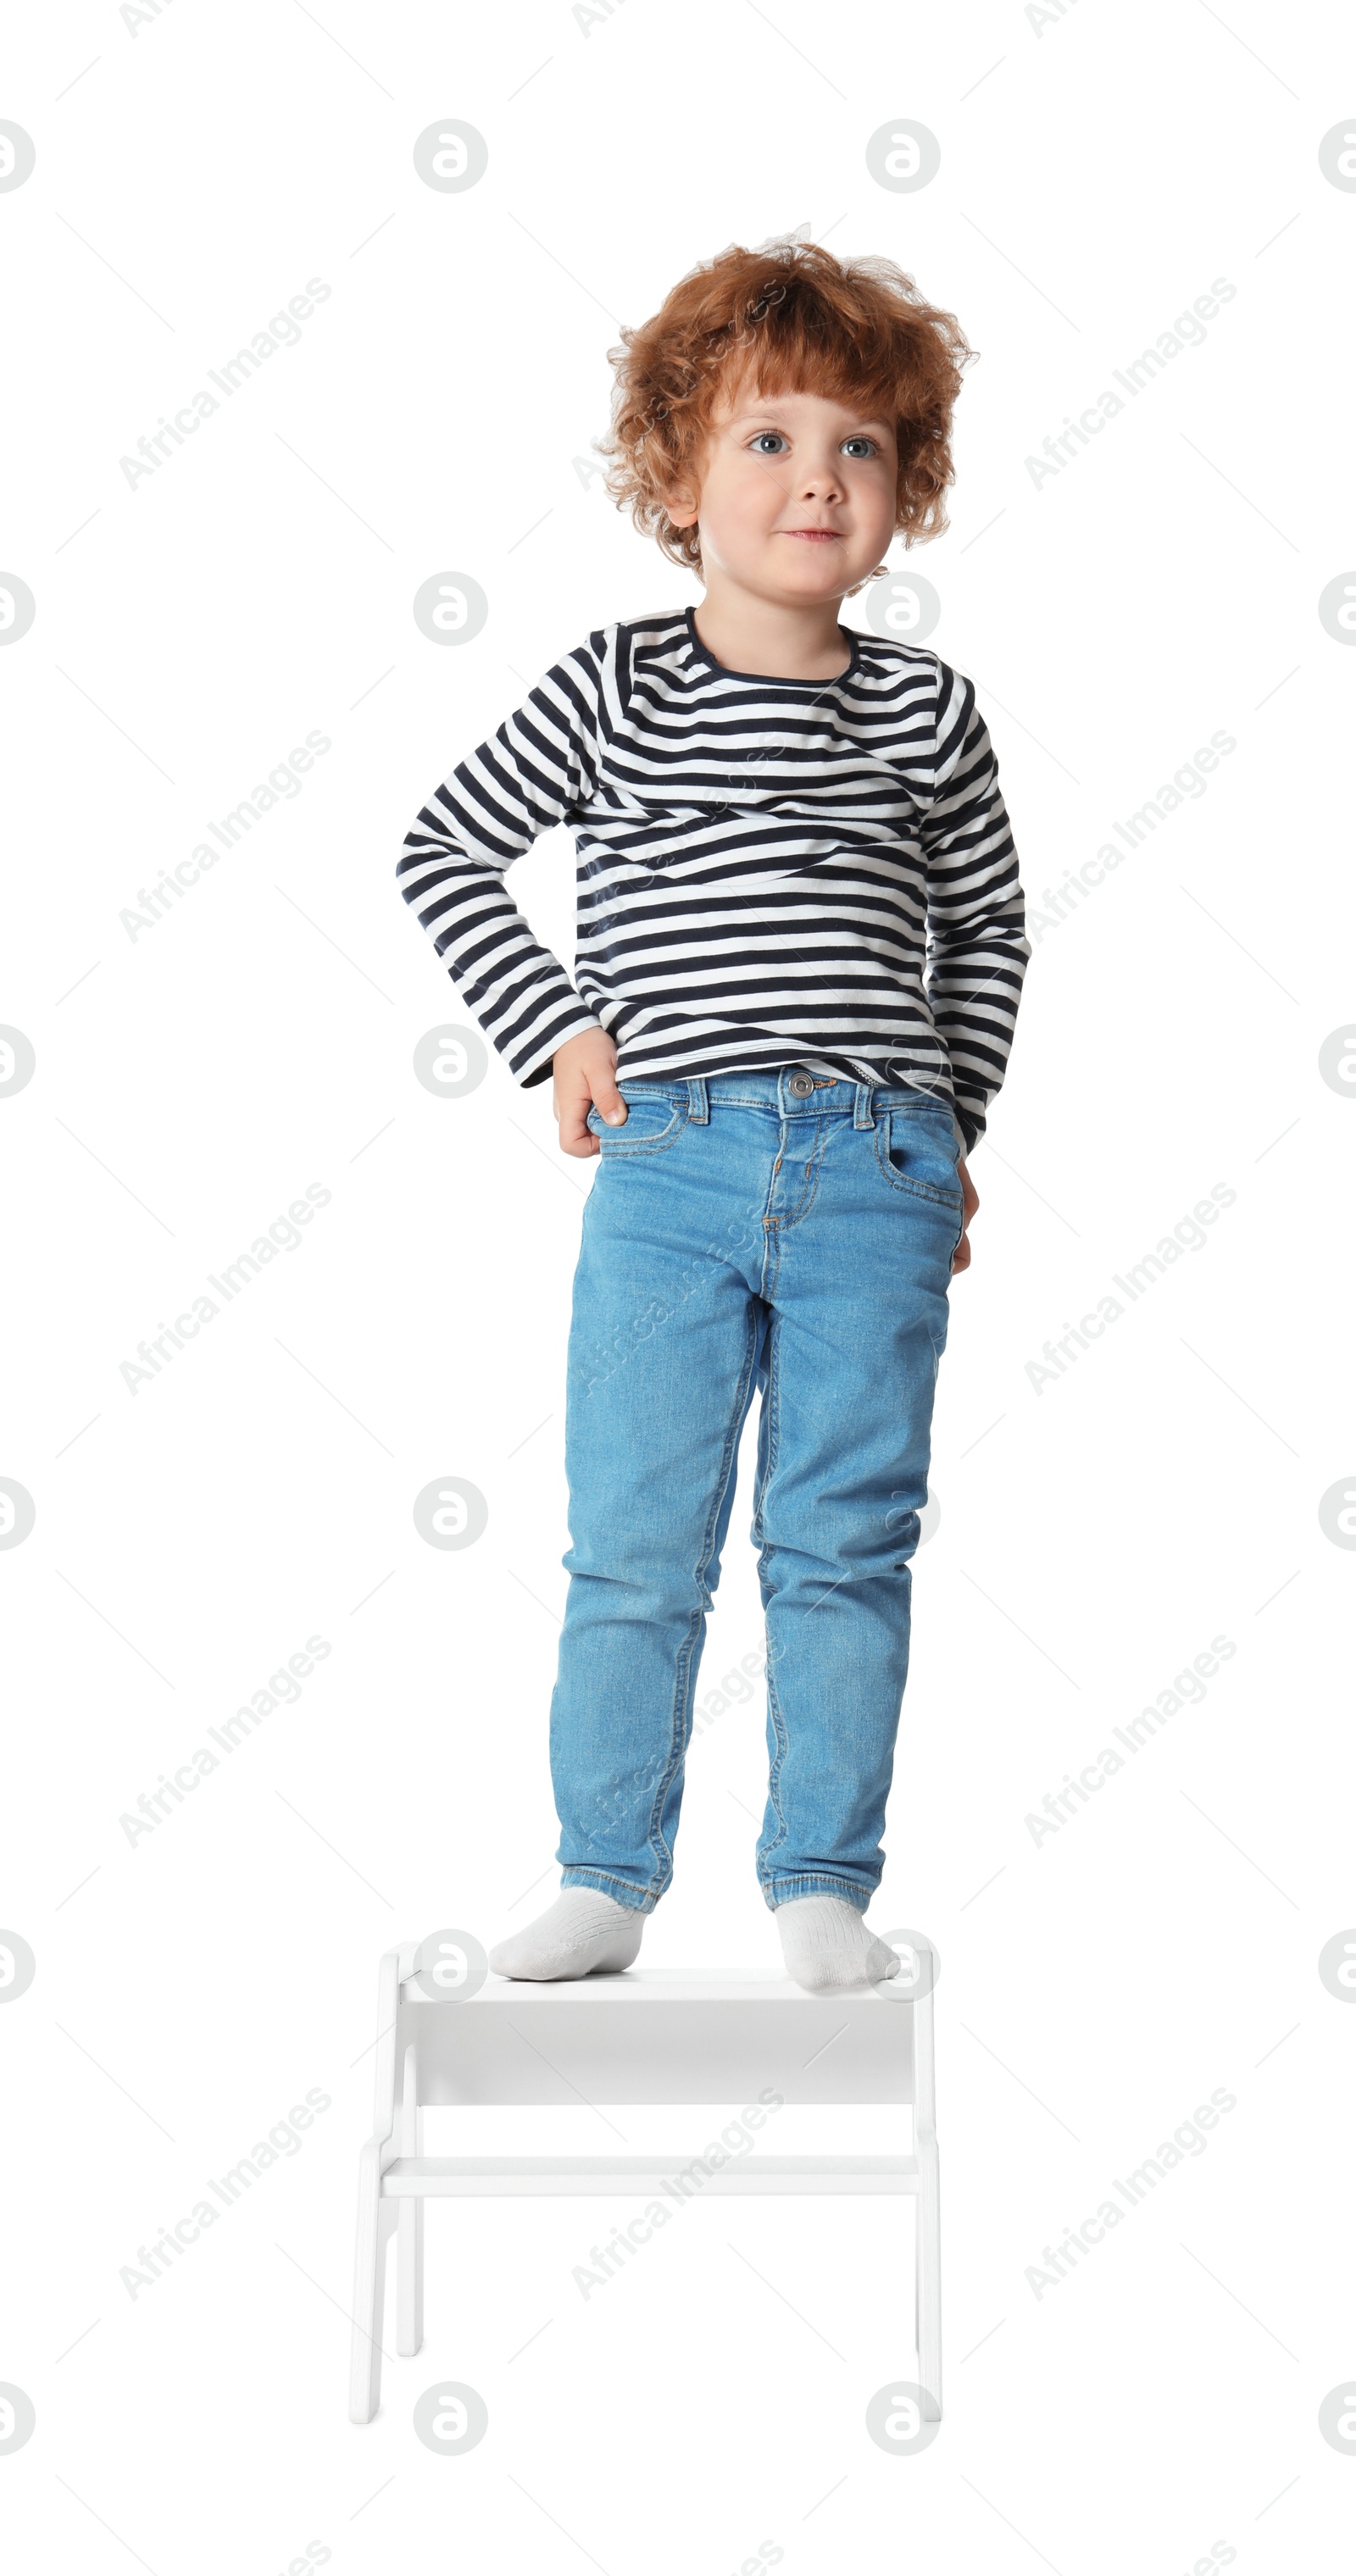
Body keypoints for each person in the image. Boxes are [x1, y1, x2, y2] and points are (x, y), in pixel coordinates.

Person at [396, 236, 1030, 1990]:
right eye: (763, 440)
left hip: (872, 1164)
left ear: (906, 489)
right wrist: (556, 1025)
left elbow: (982, 924)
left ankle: (818, 1876)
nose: (812, 478)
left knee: (839, 1538)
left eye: (858, 446)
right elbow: (444, 846)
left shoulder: (923, 713)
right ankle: (604, 1868)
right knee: (632, 1540)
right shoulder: (612, 685)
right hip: (666, 1164)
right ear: (677, 481)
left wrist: (943, 1125)